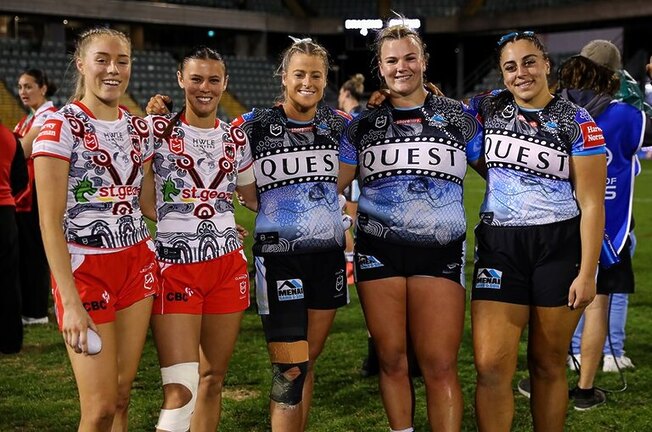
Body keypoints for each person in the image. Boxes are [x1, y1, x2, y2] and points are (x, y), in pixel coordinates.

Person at [339, 23, 483, 432]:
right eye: (391, 60)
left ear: (423, 61)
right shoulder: (361, 125)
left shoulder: (458, 117)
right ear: (380, 68)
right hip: (377, 250)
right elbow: (333, 185)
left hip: (439, 250)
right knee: (391, 359)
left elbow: (502, 175)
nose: (401, 67)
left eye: (409, 57)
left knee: (439, 365)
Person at [469, 31, 606, 432]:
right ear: (501, 74)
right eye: (510, 66)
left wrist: (587, 273)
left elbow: (593, 203)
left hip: (558, 248)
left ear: (547, 64)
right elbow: (434, 107)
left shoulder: (578, 122)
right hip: (500, 247)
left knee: (547, 364)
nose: (521, 73)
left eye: (529, 62)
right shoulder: (487, 106)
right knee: (491, 365)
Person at [32, 27, 158, 431]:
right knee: (100, 407)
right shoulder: (59, 126)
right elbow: (48, 221)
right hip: (86, 270)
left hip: (137, 264)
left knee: (122, 396)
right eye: (102, 59)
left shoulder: (140, 130)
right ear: (81, 63)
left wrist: (213, 219)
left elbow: (147, 203)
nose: (113, 69)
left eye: (122, 61)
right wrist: (68, 300)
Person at [231, 37, 351, 432]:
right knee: (290, 369)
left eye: (316, 74)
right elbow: (209, 140)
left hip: (328, 257)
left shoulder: (342, 125)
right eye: (299, 73)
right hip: (278, 259)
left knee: (307, 361)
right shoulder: (254, 124)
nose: (308, 81)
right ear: (284, 77)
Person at [141, 46, 256, 432]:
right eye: (195, 79)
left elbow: (250, 197)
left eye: (212, 80)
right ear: (180, 80)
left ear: (224, 83)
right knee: (181, 387)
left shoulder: (237, 138)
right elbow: (145, 201)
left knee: (212, 379)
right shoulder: (158, 131)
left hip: (227, 268)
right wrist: (191, 218)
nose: (204, 88)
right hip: (176, 267)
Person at [557, 47, 651, 408]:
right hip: (609, 232)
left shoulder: (553, 110)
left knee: (549, 305)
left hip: (554, 227)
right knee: (596, 304)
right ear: (613, 75)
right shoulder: (625, 116)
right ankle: (584, 389)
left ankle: (543, 374)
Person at [14, 69, 58, 325]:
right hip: (26, 195)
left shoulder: (48, 116)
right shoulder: (30, 118)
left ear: (43, 88)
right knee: (28, 252)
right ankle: (33, 306)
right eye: (20, 87)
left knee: (35, 253)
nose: (22, 92)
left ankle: (37, 310)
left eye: (29, 86)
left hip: (38, 194)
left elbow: (21, 150)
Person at [0, 121, 28, 354]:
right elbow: (21, 179)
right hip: (6, 215)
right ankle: (11, 341)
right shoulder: (9, 137)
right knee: (9, 279)